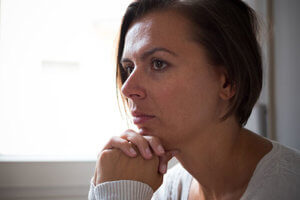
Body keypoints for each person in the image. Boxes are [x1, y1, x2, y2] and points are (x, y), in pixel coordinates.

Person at [88, 0, 300, 199]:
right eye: (129, 68)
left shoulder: (290, 186)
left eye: (158, 64)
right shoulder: (161, 190)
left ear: (228, 82)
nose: (127, 89)